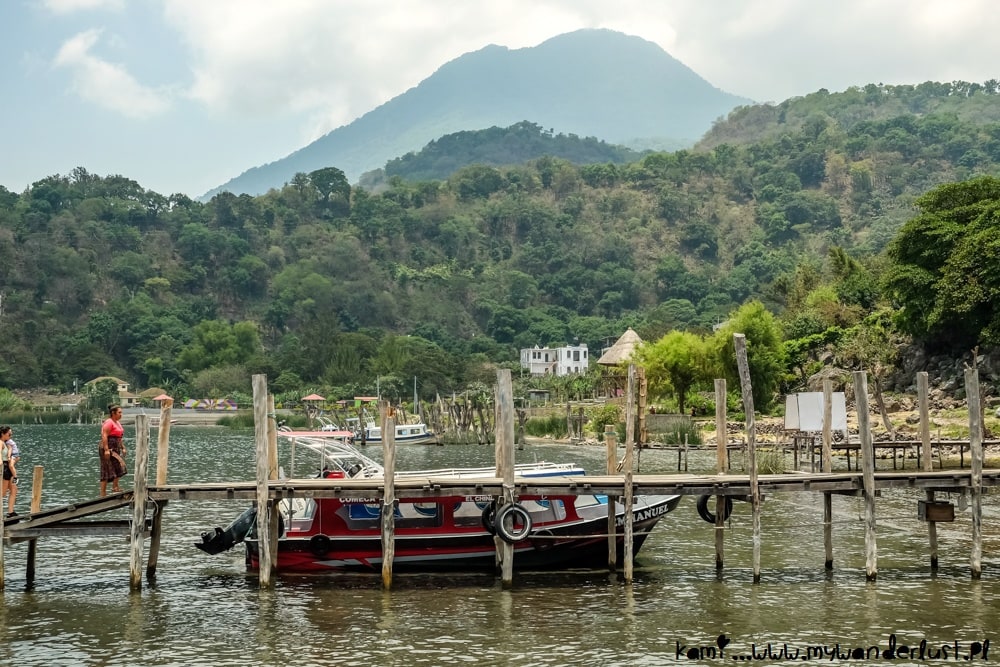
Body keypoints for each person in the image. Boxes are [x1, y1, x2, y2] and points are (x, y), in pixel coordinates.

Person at [100, 404, 127, 497]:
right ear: (113, 413)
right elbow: (104, 435)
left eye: (121, 412)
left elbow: (119, 437)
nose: (121, 414)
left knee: (119, 467)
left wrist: (123, 447)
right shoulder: (109, 422)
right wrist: (106, 450)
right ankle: (103, 493)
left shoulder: (117, 423)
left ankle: (115, 487)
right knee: (106, 469)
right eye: (119, 412)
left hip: (116, 447)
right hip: (108, 447)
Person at [1, 425, 19, 516]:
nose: (10, 435)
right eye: (9, 434)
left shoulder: (6, 442)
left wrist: (15, 459)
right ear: (2, 434)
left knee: (14, 489)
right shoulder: (0, 442)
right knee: (2, 493)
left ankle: (11, 513)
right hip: (4, 468)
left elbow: (12, 452)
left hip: (9, 468)